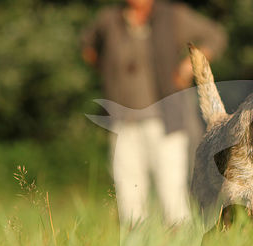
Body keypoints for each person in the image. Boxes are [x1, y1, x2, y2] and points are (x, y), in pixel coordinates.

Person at [82, 0, 227, 225]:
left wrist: (190, 66)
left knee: (172, 188)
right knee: (127, 189)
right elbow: (88, 48)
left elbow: (215, 36)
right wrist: (109, 72)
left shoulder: (172, 16)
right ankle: (135, 243)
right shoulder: (109, 19)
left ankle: (179, 243)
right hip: (122, 120)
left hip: (165, 119)